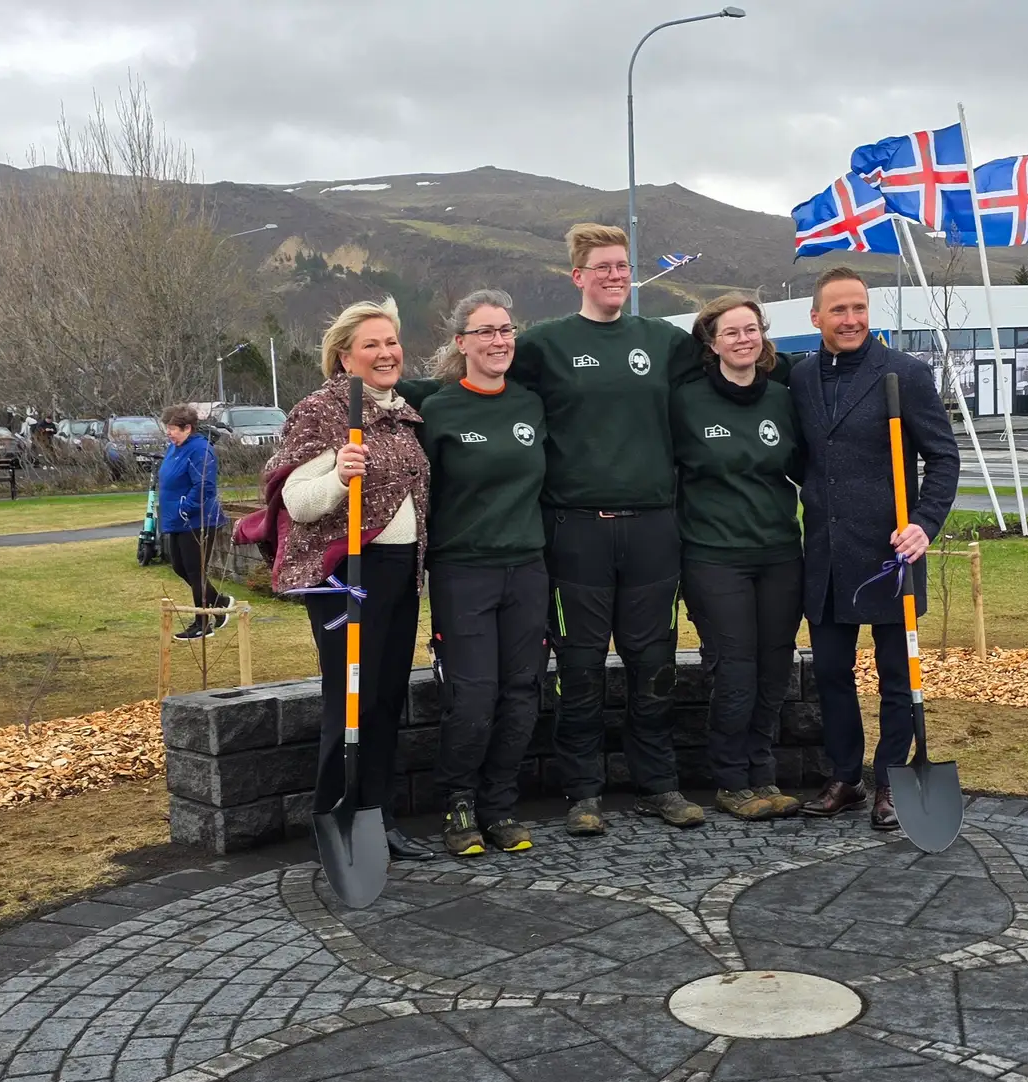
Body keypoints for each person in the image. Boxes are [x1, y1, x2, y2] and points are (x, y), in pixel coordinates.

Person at [508, 222, 705, 836]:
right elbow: (476, 384)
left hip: (652, 531)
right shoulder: (544, 345)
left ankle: (660, 785)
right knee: (581, 667)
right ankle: (583, 792)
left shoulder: (664, 342)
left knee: (655, 665)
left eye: (623, 265)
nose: (616, 275)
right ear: (578, 277)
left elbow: (734, 374)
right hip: (576, 532)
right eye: (603, 267)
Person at [790, 267, 960, 830]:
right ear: (815, 318)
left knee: (896, 676)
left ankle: (890, 781)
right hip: (829, 556)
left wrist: (925, 525)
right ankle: (846, 776)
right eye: (838, 310)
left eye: (859, 308)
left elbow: (943, 457)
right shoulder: (802, 377)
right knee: (833, 673)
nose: (851, 319)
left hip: (893, 553)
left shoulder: (904, 375)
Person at [264, 297, 431, 862]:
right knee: (351, 697)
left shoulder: (403, 411)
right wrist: (338, 475)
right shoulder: (321, 411)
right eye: (372, 345)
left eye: (391, 342)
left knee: (386, 698)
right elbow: (297, 501)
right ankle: (338, 813)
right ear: (343, 356)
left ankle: (377, 815)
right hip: (346, 577)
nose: (386, 353)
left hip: (399, 570)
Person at [417, 290, 549, 857]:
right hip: (463, 570)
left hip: (527, 568)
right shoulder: (439, 410)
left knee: (522, 693)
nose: (500, 341)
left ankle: (499, 805)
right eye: (487, 331)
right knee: (473, 696)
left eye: (506, 330)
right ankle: (459, 805)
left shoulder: (531, 404)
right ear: (461, 342)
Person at [671, 294, 803, 820]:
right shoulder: (685, 401)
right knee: (735, 668)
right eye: (731, 332)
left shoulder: (782, 398)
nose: (744, 339)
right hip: (713, 555)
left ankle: (762, 772)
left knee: (775, 667)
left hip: (778, 552)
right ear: (711, 342)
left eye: (752, 329)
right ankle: (730, 780)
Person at [158, 406, 230, 640]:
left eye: (172, 429)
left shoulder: (200, 450)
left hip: (198, 521)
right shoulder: (175, 447)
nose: (169, 433)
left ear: (187, 428)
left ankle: (202, 623)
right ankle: (220, 603)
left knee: (194, 570)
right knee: (179, 566)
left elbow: (204, 486)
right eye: (167, 428)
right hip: (176, 521)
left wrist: (185, 508)